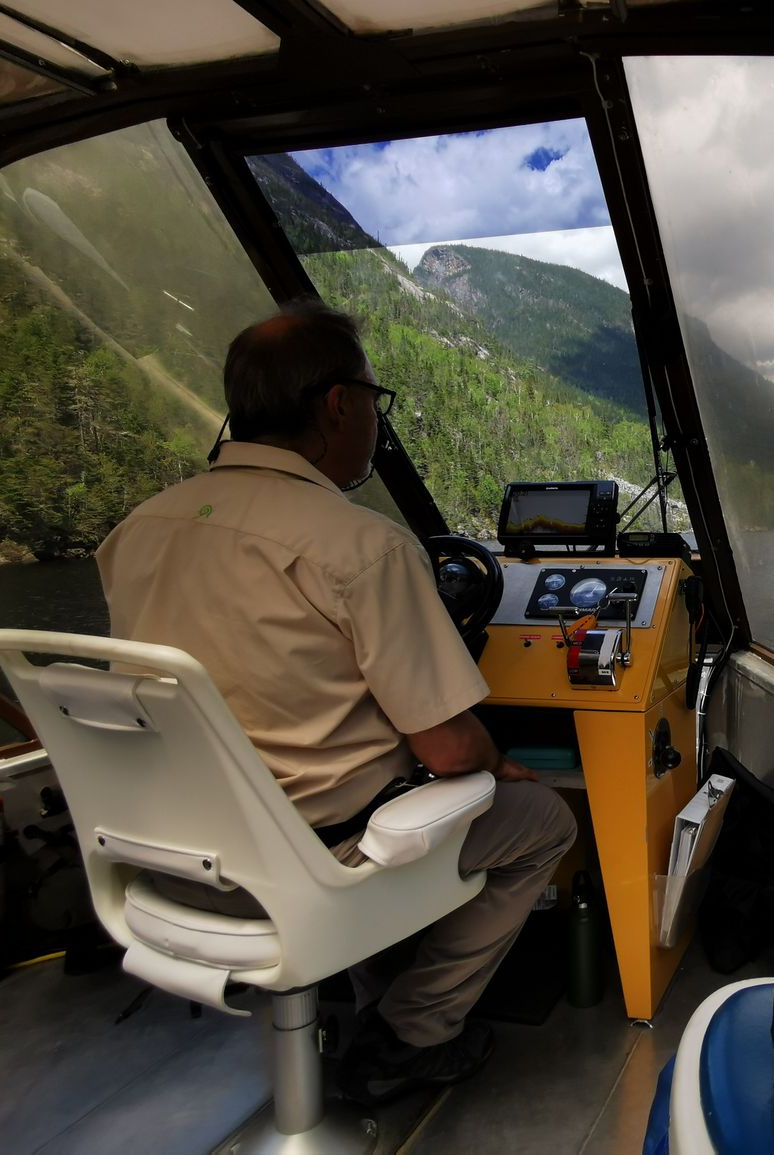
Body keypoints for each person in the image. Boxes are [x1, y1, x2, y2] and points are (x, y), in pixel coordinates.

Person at [96, 299, 576, 1105]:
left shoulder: (135, 531)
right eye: (372, 401)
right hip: (309, 867)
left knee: (369, 792)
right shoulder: (363, 546)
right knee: (542, 823)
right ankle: (411, 1031)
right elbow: (450, 749)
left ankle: (367, 996)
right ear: (337, 405)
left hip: (161, 859)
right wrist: (502, 761)